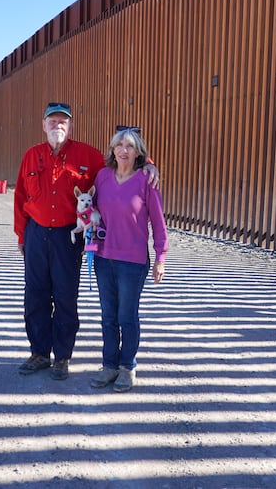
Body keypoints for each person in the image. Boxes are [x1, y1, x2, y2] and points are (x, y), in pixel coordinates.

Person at [13, 103, 158, 380]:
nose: (58, 126)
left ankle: (62, 357)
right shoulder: (31, 156)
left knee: (66, 296)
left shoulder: (87, 155)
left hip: (69, 236)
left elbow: (123, 160)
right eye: (53, 121)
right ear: (43, 125)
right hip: (36, 234)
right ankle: (39, 353)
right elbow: (20, 197)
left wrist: (149, 166)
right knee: (35, 295)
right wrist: (21, 235)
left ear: (70, 126)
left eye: (63, 122)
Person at [90, 126, 168, 392]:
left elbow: (158, 223)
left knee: (127, 316)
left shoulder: (147, 181)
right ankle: (109, 365)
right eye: (119, 145)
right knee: (107, 316)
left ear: (139, 153)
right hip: (103, 257)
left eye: (130, 146)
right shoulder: (102, 177)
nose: (124, 150)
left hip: (132, 262)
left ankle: (127, 367)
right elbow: (91, 208)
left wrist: (160, 257)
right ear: (112, 149)